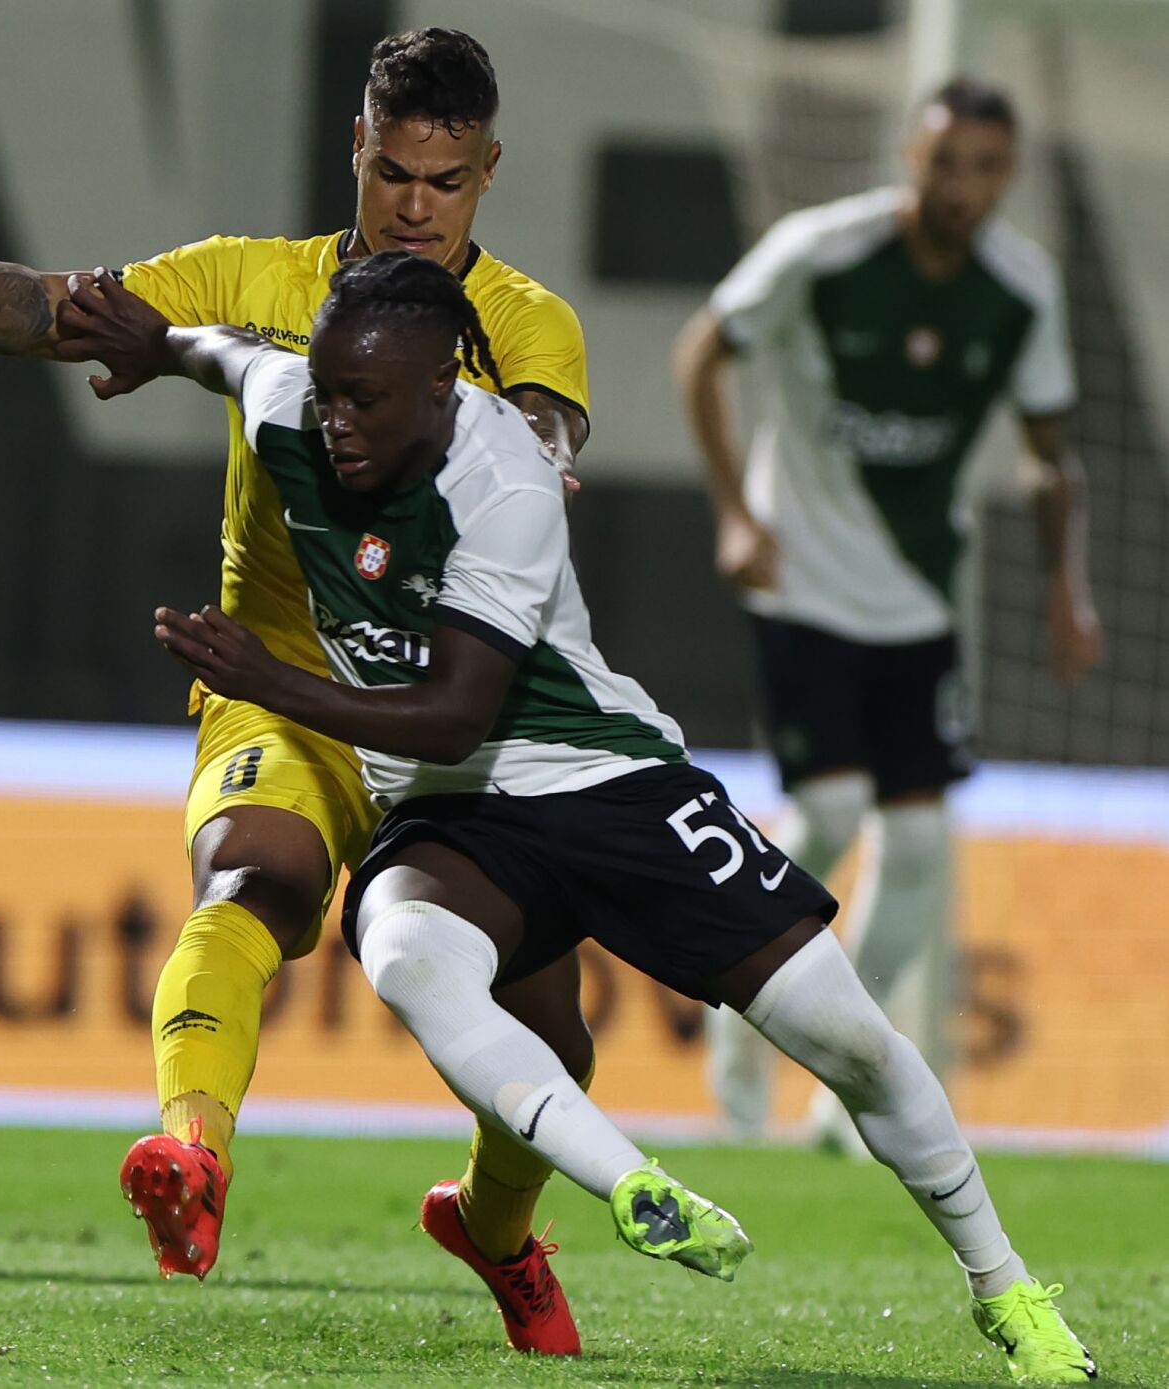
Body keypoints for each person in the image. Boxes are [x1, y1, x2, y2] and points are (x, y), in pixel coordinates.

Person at [70, 248, 1093, 1385]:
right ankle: (632, 1185)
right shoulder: (293, 407)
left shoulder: (503, 480)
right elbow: (228, 353)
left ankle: (1006, 1293)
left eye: (367, 399)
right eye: (327, 388)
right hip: (450, 813)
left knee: (849, 1039)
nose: (338, 420)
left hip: (599, 775)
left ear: (442, 391)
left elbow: (456, 712)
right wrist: (152, 347)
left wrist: (272, 679)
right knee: (404, 947)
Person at [0, 28, 591, 1354]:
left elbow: (550, 421)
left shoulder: (525, 321)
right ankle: (190, 1158)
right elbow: (62, 309)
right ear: (357, 149)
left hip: (458, 710)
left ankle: (496, 1228)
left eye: (446, 181)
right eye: (395, 171)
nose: (415, 205)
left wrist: (532, 452)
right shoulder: (255, 280)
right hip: (284, 687)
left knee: (552, 1039)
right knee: (255, 884)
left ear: (489, 174)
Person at [672, 77, 1102, 1146]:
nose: (962, 186)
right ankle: (736, 1053)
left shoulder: (1020, 290)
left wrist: (1066, 589)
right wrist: (734, 513)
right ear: (909, 157)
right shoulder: (823, 252)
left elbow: (1052, 462)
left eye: (986, 168)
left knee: (915, 843)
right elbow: (701, 353)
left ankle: (837, 1092)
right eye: (944, 161)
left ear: (1006, 176)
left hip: (917, 600)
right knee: (827, 817)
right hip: (802, 578)